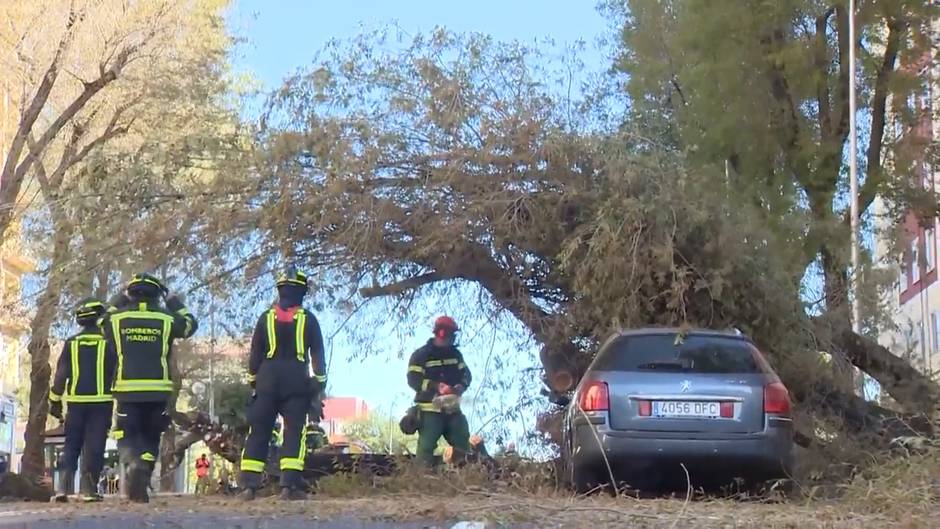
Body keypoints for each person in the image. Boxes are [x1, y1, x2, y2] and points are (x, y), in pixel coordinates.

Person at [101, 273, 197, 503]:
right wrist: (173, 301)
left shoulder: (117, 319)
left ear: (131, 293)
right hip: (157, 391)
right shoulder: (166, 319)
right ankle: (142, 471)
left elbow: (100, 320)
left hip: (127, 391)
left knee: (126, 434)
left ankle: (133, 462)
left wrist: (119, 298)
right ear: (156, 294)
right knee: (151, 435)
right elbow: (190, 325)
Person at [239, 268, 326, 501]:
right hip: (297, 381)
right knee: (293, 432)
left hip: (267, 380)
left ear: (280, 291)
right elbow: (318, 354)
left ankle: (249, 487)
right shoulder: (309, 319)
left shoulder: (265, 318)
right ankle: (289, 487)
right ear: (302, 292)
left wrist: (254, 382)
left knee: (258, 431)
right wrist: (319, 385)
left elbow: (255, 354)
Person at [49, 299, 114, 503]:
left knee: (71, 445)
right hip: (101, 403)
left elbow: (60, 374)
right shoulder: (108, 343)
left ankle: (63, 488)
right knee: (95, 445)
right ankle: (89, 489)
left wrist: (55, 401)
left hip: (75, 404)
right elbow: (118, 371)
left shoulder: (71, 343)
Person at [406, 316, 472, 467]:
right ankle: (423, 479)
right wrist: (436, 386)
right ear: (442, 333)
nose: (454, 338)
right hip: (430, 410)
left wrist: (460, 387)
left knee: (462, 443)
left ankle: (466, 475)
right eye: (452, 334)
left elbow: (466, 375)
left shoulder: (455, 355)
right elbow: (413, 379)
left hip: (452, 409)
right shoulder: (421, 355)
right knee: (426, 447)